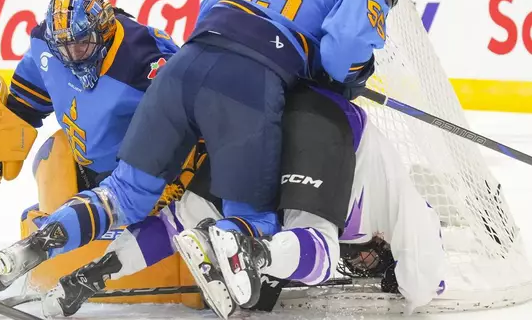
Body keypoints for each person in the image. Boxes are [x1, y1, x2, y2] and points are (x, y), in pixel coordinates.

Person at [40, 0, 403, 318]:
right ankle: (239, 255)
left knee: (176, 214)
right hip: (267, 104)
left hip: (214, 82)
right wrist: (351, 77)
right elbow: (341, 54)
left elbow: (209, 8)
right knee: (273, 229)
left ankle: (83, 270)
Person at [39, 83, 446, 319]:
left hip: (260, 108)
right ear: (383, 245)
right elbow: (425, 279)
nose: (362, 263)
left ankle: (92, 274)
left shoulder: (372, 220)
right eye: (373, 260)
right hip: (328, 124)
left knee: (181, 219)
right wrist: (405, 280)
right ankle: (252, 252)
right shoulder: (404, 202)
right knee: (319, 249)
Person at [0, 0, 180, 292]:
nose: (73, 56)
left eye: (82, 44)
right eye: (64, 48)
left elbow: (190, 118)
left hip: (141, 176)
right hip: (90, 168)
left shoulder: (147, 60)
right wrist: (9, 125)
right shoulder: (46, 45)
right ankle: (53, 239)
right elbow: (31, 90)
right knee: (53, 152)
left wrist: (182, 176)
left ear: (103, 31)